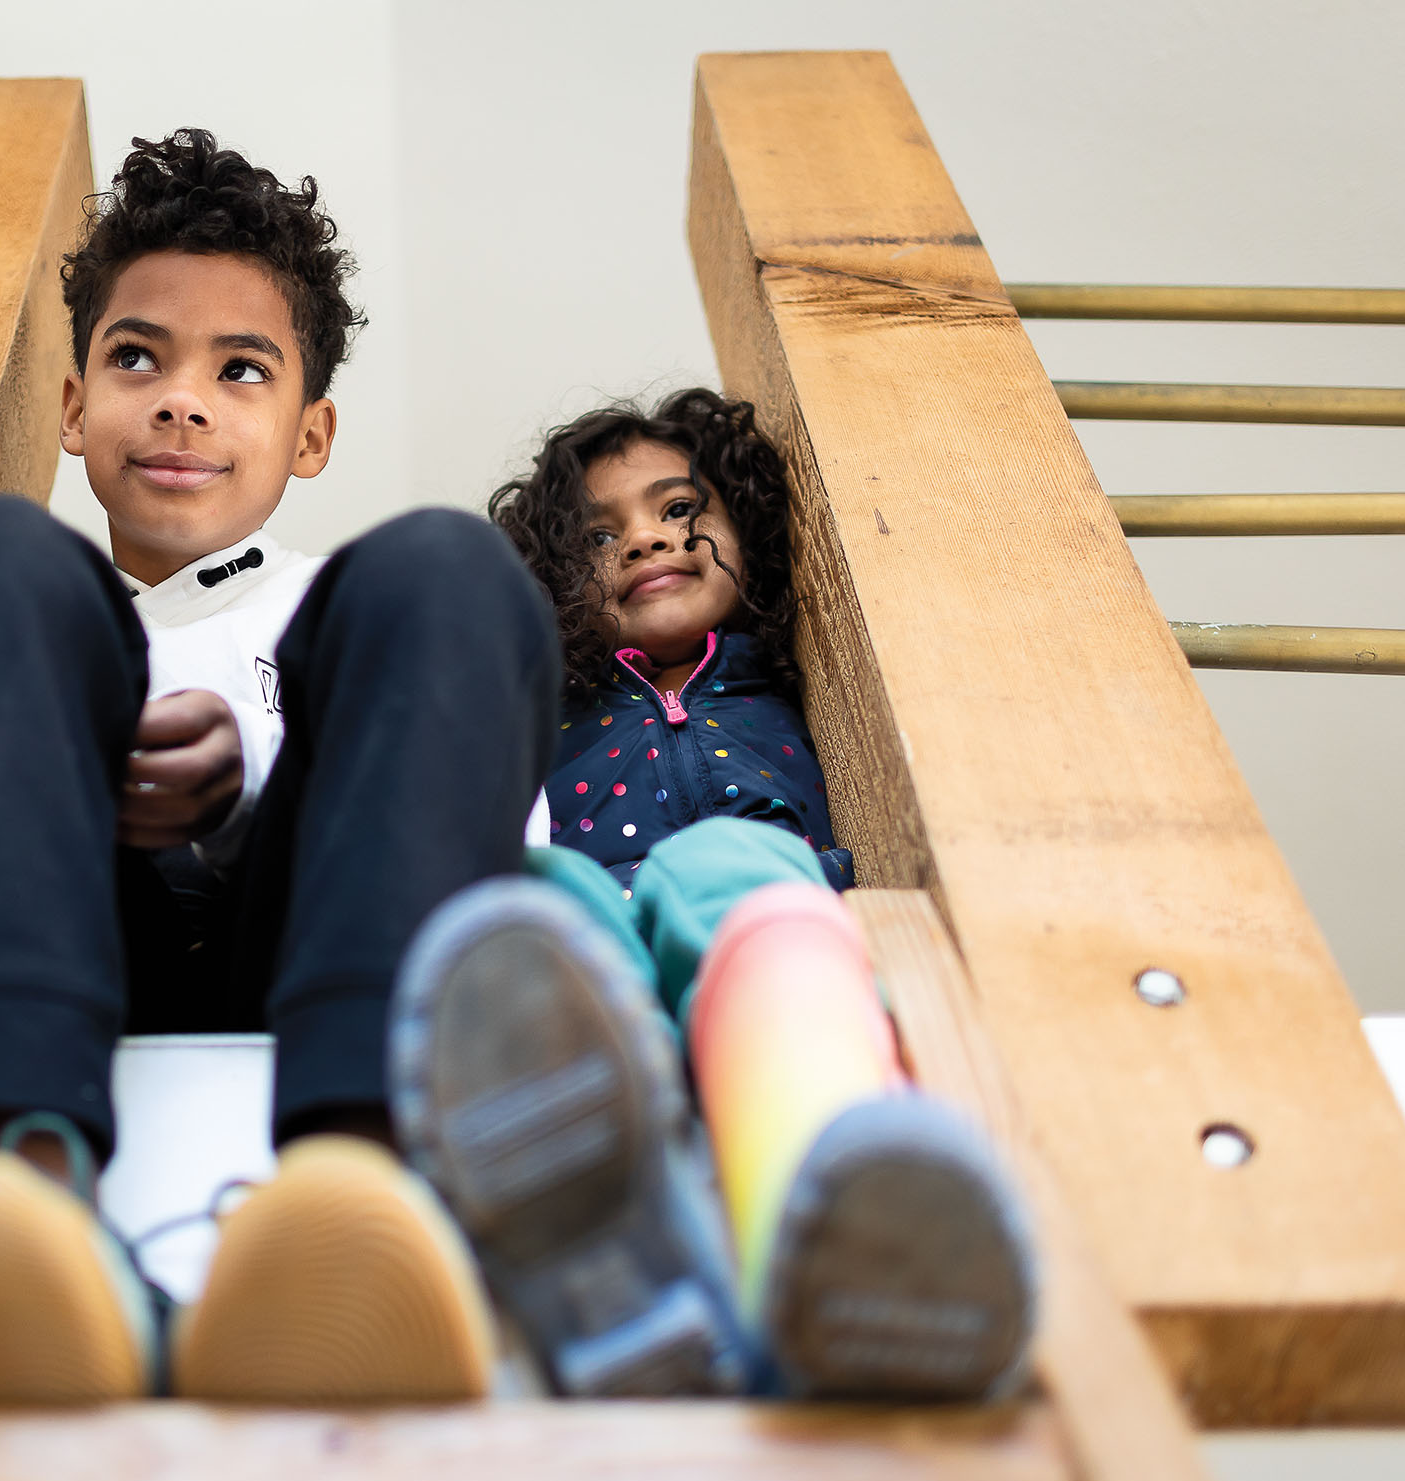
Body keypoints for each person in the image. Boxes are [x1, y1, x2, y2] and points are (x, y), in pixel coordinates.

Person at [0, 129, 558, 1407]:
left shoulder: (358, 605)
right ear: (72, 405)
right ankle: (17, 1197)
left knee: (449, 562)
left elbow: (497, 833)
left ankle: (358, 1190)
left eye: (241, 370)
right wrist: (81, 790)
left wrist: (238, 807)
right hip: (76, 950)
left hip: (319, 951)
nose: (181, 399)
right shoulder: (12, 614)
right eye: (136, 358)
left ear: (308, 433)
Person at [390, 389, 1036, 1400]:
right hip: (604, 912)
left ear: (742, 525)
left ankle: (821, 1224)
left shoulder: (799, 677)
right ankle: (587, 1203)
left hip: (763, 905)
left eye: (681, 507)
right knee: (533, 897)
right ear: (562, 583)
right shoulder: (558, 707)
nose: (647, 536)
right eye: (599, 535)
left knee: (732, 872)